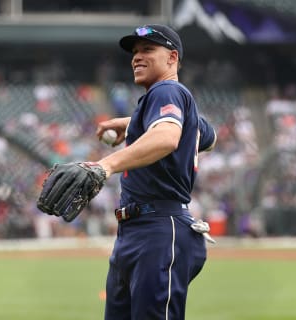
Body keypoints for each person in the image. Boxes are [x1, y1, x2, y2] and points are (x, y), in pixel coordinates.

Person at [95, 24, 217, 320]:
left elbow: (166, 138)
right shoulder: (167, 99)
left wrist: (105, 165)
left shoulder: (166, 89)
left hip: (159, 229)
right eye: (135, 52)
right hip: (140, 230)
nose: (137, 57)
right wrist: (136, 121)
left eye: (148, 49)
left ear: (172, 57)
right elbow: (208, 136)